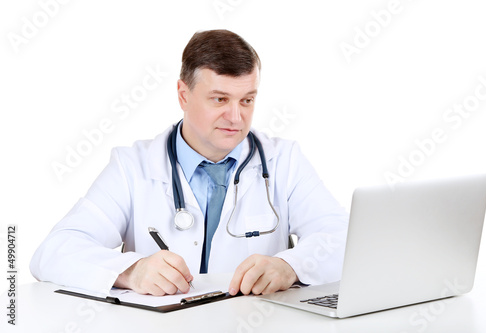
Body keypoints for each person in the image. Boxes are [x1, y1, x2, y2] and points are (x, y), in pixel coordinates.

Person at [30, 29, 348, 296]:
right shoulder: (132, 167)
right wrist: (130, 271)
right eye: (220, 99)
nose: (236, 117)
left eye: (247, 100)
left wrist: (291, 266)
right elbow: (55, 251)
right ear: (183, 94)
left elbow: (343, 237)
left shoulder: (284, 160)